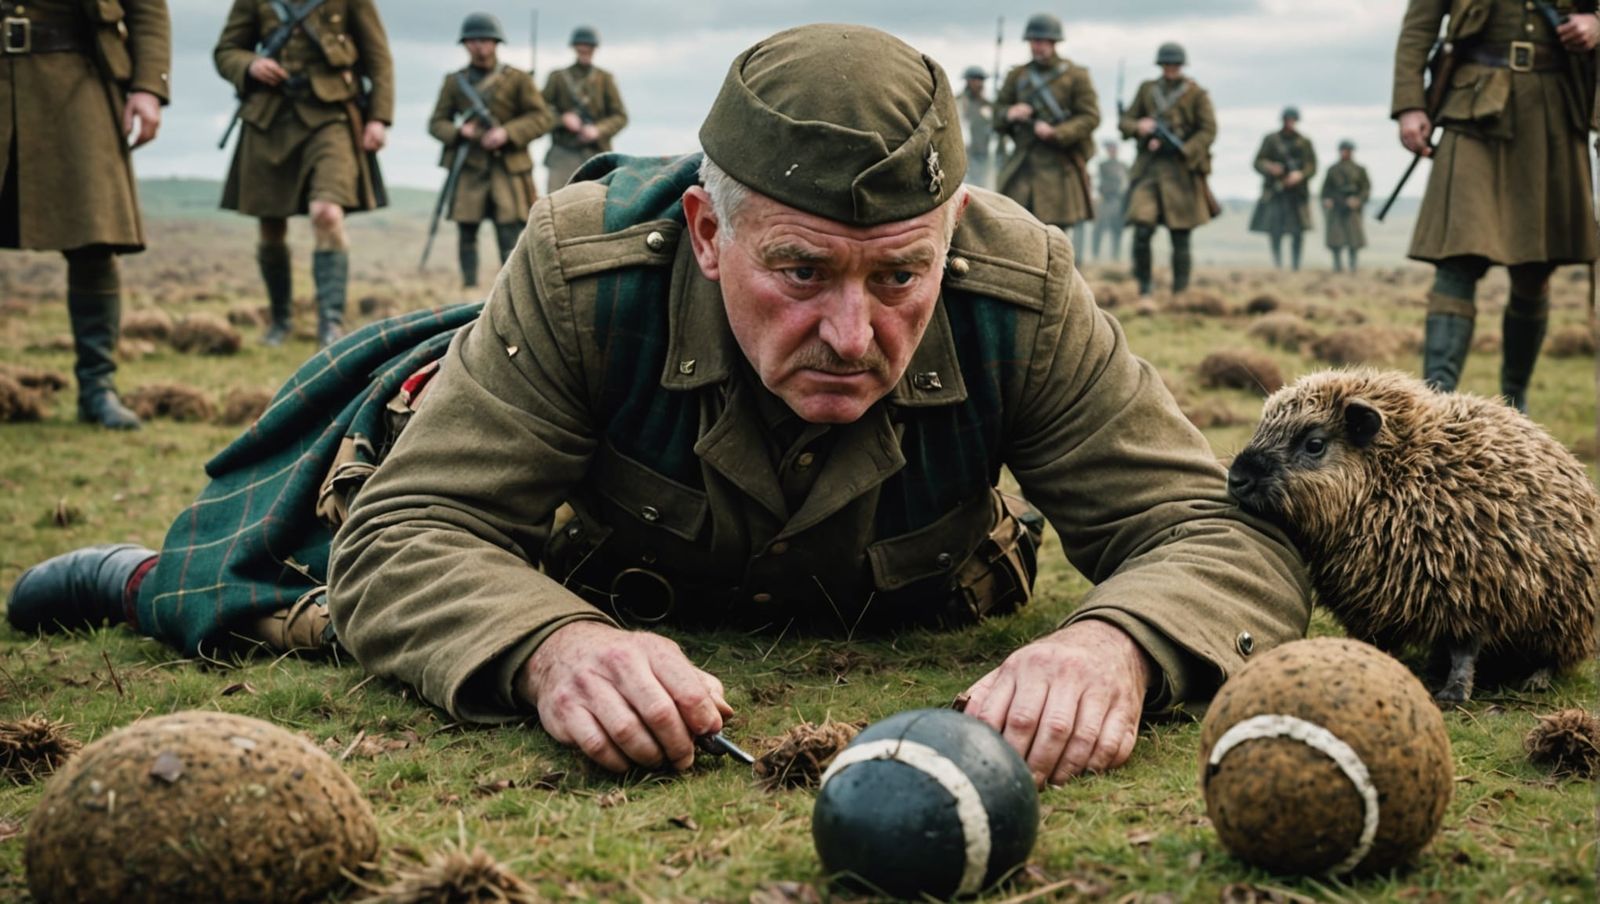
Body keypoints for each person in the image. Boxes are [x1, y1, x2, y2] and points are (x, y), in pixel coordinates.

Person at [8, 25, 1309, 788]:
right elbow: (412, 532)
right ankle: (132, 581)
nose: (854, 335)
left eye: (899, 275)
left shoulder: (1017, 282)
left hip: (889, 586)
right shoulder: (585, 269)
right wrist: (551, 647)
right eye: (798, 270)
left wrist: (1114, 646)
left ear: (951, 234)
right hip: (595, 566)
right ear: (704, 229)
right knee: (308, 590)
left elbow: (1218, 531)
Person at [1394, 0, 1598, 411]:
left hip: (1555, 108)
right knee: (1456, 259)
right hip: (1473, 107)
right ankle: (1435, 410)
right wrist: (1410, 105)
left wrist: (1596, 23)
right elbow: (1419, 27)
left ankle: (1514, 405)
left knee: (1535, 267)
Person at [0, 0, 170, 429]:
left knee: (95, 235)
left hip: (77, 74)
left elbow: (146, 8)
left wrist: (148, 87)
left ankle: (98, 390)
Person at [214, 0, 394, 349]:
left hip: (331, 115)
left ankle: (331, 323)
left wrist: (379, 117)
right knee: (270, 222)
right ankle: (280, 320)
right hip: (269, 115)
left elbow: (378, 57)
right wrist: (250, 65)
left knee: (327, 213)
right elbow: (226, 50)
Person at [429, 13, 555, 289]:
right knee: (467, 232)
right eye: (473, 41)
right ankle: (468, 289)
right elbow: (436, 123)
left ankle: (512, 290)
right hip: (469, 167)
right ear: (465, 44)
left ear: (496, 43)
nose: (479, 46)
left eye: (485, 40)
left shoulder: (518, 80)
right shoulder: (455, 82)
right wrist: (460, 132)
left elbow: (542, 118)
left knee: (511, 233)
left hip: (507, 168)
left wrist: (507, 133)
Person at [1119, 42, 1218, 296]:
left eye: (1174, 65)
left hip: (1181, 171)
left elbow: (1208, 130)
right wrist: (1139, 127)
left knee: (1181, 235)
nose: (1170, 69)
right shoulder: (1147, 90)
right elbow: (1126, 122)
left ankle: (1180, 293)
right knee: (1142, 229)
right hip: (1149, 170)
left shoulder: (1197, 94)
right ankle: (1144, 288)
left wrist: (1186, 149)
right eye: (1166, 65)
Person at [994, 13, 1099, 240]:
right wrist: (1010, 113)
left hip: (1059, 166)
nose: (1036, 46)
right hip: (1023, 164)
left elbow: (1090, 117)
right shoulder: (1017, 76)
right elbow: (997, 114)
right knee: (1015, 229)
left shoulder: (1076, 76)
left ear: (1053, 42)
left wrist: (1058, 133)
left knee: (1055, 237)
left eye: (1041, 41)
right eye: (1033, 41)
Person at [542, 25, 627, 194]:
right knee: (557, 201)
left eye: (589, 46)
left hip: (596, 152)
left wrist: (598, 130)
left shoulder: (605, 79)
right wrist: (562, 119)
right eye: (581, 45)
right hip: (563, 153)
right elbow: (540, 112)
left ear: (594, 48)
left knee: (598, 200)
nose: (585, 49)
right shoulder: (557, 78)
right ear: (574, 47)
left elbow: (620, 116)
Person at [1249, 107, 1317, 271]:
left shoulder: (1304, 142)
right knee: (1275, 231)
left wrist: (1299, 175)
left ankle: (1296, 266)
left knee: (1297, 232)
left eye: (1292, 120)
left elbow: (1312, 166)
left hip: (1296, 193)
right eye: (1287, 120)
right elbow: (1258, 162)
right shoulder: (1271, 140)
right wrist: (1270, 167)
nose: (1290, 123)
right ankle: (1277, 264)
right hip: (1275, 191)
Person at [1320, 140, 1370, 273]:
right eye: (1343, 150)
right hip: (1337, 206)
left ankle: (1353, 267)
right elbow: (1325, 190)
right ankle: (1337, 267)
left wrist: (1358, 200)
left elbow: (1365, 189)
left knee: (1353, 240)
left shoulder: (1359, 170)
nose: (1344, 153)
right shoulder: (1332, 170)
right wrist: (1327, 200)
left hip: (1352, 208)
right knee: (1336, 239)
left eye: (1347, 150)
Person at [959, 65, 996, 190]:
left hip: (983, 152)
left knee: (982, 187)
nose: (978, 83)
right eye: (975, 80)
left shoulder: (988, 105)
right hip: (964, 154)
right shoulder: (959, 103)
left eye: (980, 80)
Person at [1093, 139, 1128, 261]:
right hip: (1104, 200)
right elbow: (1098, 182)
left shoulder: (1123, 166)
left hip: (1117, 200)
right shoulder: (1102, 165)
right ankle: (1095, 255)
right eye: (1110, 149)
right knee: (1098, 229)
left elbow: (1125, 183)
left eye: (1113, 148)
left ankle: (1115, 256)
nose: (1112, 151)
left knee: (1116, 229)